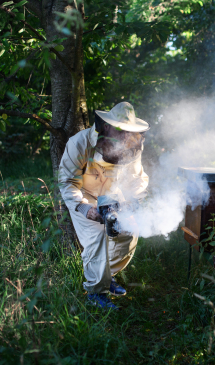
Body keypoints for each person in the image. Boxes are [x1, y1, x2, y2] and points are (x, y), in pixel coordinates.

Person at [58, 102, 149, 310]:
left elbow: (136, 180)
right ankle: (95, 292)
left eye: (128, 131)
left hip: (113, 195)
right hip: (84, 195)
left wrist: (133, 204)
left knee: (128, 233)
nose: (125, 135)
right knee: (96, 236)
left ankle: (107, 277)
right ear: (106, 126)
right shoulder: (79, 143)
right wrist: (85, 209)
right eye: (119, 129)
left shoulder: (133, 145)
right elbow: (67, 181)